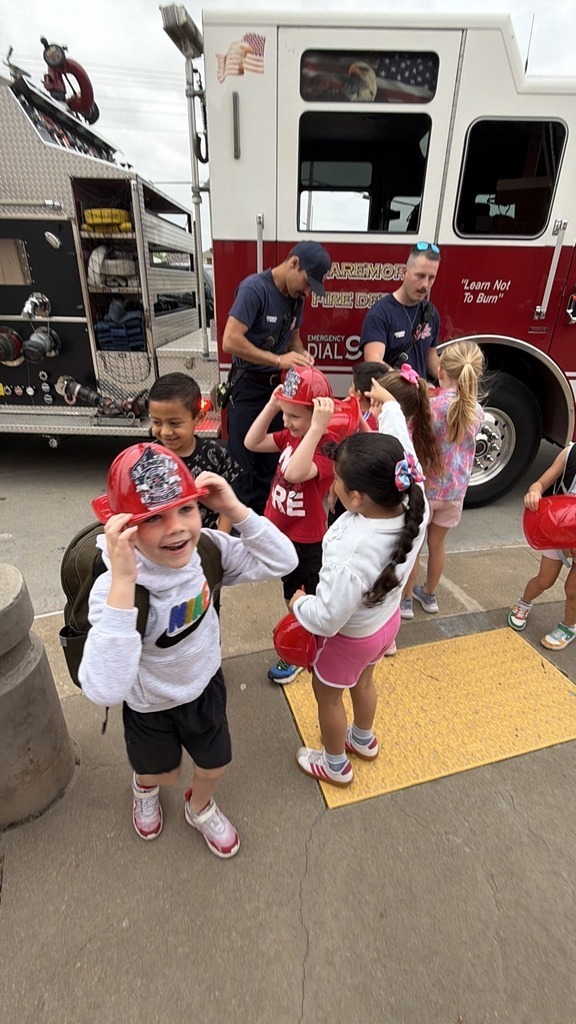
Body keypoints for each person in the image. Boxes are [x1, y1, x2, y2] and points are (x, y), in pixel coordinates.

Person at [79, 442, 298, 856]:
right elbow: (104, 688)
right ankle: (145, 787)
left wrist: (236, 509)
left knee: (214, 766)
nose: (177, 527)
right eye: (154, 518)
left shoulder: (206, 549)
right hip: (149, 706)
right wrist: (124, 582)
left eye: (186, 509)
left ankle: (199, 808)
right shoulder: (115, 587)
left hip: (203, 687)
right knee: (161, 773)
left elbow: (283, 561)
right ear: (124, 528)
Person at [288, 431, 427, 786]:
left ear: (356, 497)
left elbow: (329, 618)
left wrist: (300, 604)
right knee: (365, 682)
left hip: (349, 640)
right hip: (384, 625)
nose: (331, 483)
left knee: (328, 698)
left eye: (336, 479)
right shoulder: (415, 505)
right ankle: (362, 740)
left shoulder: (352, 552)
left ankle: (334, 764)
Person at [222, 241, 332, 515]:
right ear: (293, 263)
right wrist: (279, 360)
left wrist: (303, 358)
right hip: (248, 390)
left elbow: (294, 338)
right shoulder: (254, 289)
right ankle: (237, 537)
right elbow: (230, 340)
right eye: (307, 283)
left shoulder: (296, 298)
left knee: (272, 466)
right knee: (242, 468)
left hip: (279, 393)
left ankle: (264, 528)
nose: (307, 291)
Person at [245, 365, 335, 683]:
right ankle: (302, 637)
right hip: (282, 534)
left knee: (303, 598)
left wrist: (314, 430)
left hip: (305, 541)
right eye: (285, 414)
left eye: (294, 416)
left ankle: (301, 649)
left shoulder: (325, 447)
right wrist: (274, 404)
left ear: (317, 416)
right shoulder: (291, 436)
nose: (286, 422)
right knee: (291, 593)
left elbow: (296, 473)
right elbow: (252, 442)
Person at [400, 341, 485, 616]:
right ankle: (430, 595)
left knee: (414, 547)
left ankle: (406, 602)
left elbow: (408, 439)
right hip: (454, 494)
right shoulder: (477, 413)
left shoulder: (429, 408)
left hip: (424, 492)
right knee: (438, 545)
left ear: (440, 370)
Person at [148, 372, 241, 534]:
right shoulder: (147, 458)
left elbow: (227, 502)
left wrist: (220, 541)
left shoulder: (217, 454)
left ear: (199, 417)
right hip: (162, 542)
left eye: (174, 423)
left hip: (205, 541)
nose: (165, 432)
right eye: (156, 422)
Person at [508, 444, 576, 651]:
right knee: (544, 580)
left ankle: (569, 626)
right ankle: (524, 602)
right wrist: (534, 493)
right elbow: (540, 484)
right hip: (559, 529)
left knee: (573, 591)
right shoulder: (571, 453)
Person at [359, 241, 441, 379]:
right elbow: (374, 363)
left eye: (431, 278)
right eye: (420, 276)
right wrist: (410, 385)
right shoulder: (380, 314)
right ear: (404, 272)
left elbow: (430, 359)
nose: (425, 285)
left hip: (420, 398)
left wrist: (453, 379)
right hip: (389, 397)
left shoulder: (431, 313)